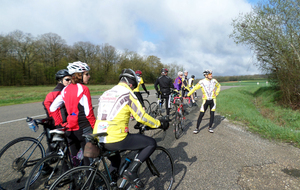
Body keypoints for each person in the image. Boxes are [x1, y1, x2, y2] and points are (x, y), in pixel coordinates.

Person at [93, 68, 169, 188]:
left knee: (115, 160)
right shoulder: (127, 94)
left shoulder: (106, 93)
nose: (133, 88)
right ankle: (131, 172)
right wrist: (159, 123)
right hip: (116, 137)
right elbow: (141, 117)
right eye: (133, 86)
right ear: (131, 83)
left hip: (99, 137)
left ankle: (111, 183)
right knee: (151, 143)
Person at [50, 61, 96, 167]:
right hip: (84, 128)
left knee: (75, 160)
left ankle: (75, 181)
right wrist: (96, 129)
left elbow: (53, 107)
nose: (89, 76)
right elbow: (89, 114)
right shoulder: (84, 89)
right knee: (88, 160)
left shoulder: (65, 89)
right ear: (79, 75)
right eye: (86, 74)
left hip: (70, 129)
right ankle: (90, 182)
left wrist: (60, 123)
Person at [187, 70, 221, 134]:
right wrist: (188, 94)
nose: (211, 75)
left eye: (211, 74)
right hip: (205, 100)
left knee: (212, 114)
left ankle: (210, 127)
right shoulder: (202, 82)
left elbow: (219, 86)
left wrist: (216, 93)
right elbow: (194, 89)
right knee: (201, 114)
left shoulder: (214, 81)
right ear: (206, 75)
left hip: (213, 100)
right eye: (210, 74)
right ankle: (197, 128)